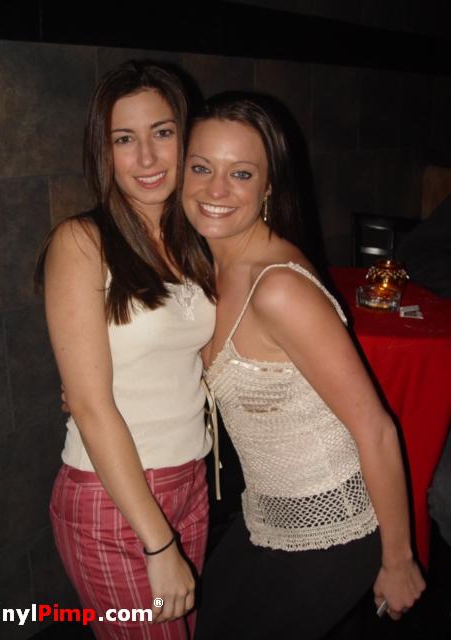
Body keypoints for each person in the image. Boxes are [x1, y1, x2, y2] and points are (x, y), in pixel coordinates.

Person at [179, 92, 426, 639]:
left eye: (241, 173)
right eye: (201, 167)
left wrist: (399, 559)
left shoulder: (278, 288)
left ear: (269, 187)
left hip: (338, 530)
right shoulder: (208, 268)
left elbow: (377, 428)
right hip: (265, 515)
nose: (215, 190)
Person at [35, 60, 217, 640]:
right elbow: (91, 406)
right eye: (123, 139)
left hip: (190, 484)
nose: (146, 157)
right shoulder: (81, 242)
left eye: (162, 133)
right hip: (114, 498)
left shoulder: (196, 241)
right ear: (103, 151)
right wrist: (158, 543)